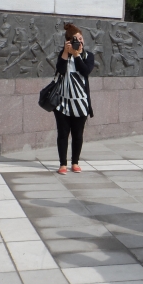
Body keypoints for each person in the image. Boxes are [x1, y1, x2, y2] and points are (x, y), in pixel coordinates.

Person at [54, 23, 95, 175]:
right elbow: (60, 70)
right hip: (63, 102)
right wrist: (66, 52)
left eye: (81, 38)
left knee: (78, 135)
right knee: (63, 134)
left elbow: (85, 71)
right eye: (76, 39)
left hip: (80, 103)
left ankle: (75, 162)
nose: (80, 42)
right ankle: (63, 164)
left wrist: (76, 54)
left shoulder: (88, 56)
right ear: (69, 41)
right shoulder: (63, 54)